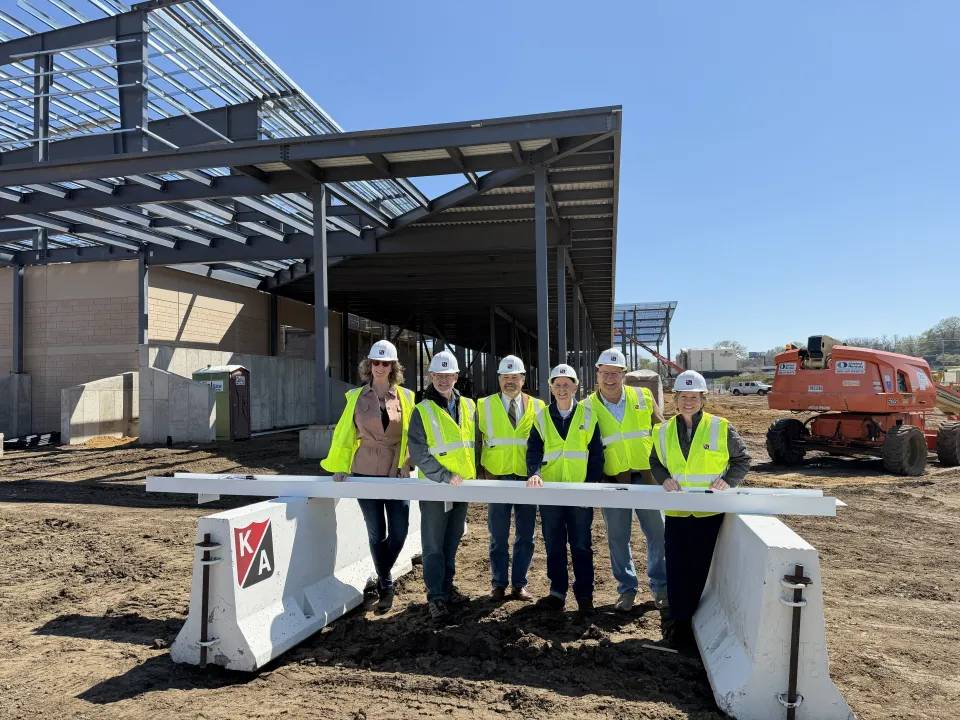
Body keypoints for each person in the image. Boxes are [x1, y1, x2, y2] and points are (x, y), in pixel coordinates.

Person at [650, 370, 752, 651]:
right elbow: (655, 462)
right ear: (675, 399)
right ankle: (679, 622)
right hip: (677, 511)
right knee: (676, 567)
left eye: (693, 397)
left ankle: (685, 622)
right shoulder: (663, 430)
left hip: (708, 513)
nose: (688, 402)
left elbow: (742, 460)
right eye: (683, 397)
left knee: (698, 569)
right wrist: (664, 479)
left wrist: (727, 482)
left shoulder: (720, 427)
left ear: (703, 399)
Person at [320, 339, 416, 613]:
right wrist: (341, 465)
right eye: (376, 362)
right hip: (364, 470)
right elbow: (345, 435)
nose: (380, 367)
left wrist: (407, 464)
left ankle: (382, 575)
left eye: (385, 363)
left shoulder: (408, 397)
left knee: (400, 531)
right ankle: (386, 586)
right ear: (369, 365)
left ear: (393, 367)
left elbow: (413, 435)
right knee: (377, 532)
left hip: (396, 472)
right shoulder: (355, 397)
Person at [591, 348, 669, 612]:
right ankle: (627, 589)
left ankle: (660, 587)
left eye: (615, 373)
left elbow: (663, 430)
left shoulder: (643, 396)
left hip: (648, 478)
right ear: (597, 374)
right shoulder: (587, 406)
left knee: (658, 533)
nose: (609, 379)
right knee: (617, 536)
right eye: (604, 373)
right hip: (613, 479)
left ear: (624, 375)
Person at [525, 364, 604, 618]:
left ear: (575, 387)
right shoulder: (541, 418)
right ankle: (557, 592)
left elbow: (596, 457)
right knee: (554, 544)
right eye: (557, 385)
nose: (561, 389)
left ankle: (585, 596)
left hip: (579, 493)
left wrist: (589, 488)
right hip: (550, 492)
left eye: (566, 385)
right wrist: (535, 473)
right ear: (551, 388)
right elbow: (534, 450)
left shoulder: (588, 416)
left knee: (581, 545)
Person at [407, 350, 479, 621]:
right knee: (433, 544)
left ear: (456, 376)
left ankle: (447, 588)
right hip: (436, 487)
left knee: (452, 540)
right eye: (438, 375)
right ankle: (435, 596)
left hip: (462, 486)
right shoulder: (422, 410)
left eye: (448, 375)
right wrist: (443, 475)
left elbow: (475, 444)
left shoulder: (470, 406)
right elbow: (418, 451)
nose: (443, 380)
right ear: (431, 377)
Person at [477, 355, 545, 602]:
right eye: (505, 377)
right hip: (497, 477)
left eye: (514, 377)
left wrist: (537, 472)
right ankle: (498, 583)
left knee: (526, 534)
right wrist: (479, 471)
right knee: (498, 535)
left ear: (523, 379)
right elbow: (474, 439)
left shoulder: (538, 407)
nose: (509, 381)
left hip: (527, 478)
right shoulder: (483, 405)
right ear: (498, 379)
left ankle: (519, 584)